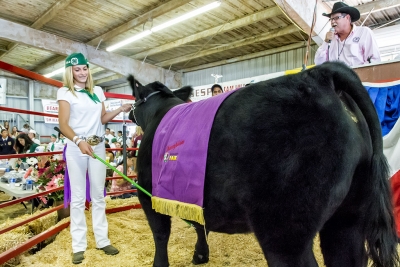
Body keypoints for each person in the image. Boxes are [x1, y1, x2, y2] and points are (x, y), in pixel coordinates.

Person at [57, 52, 132, 264]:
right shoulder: (65, 92)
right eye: (77, 69)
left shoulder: (97, 91)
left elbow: (102, 118)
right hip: (76, 147)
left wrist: (119, 109)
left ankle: (102, 240)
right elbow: (63, 124)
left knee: (99, 195)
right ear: (70, 72)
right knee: (79, 198)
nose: (82, 72)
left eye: (84, 68)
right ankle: (78, 246)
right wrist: (79, 141)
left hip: (97, 145)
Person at [314, 2, 381, 67]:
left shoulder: (364, 33)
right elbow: (319, 63)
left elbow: (374, 61)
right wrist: (325, 42)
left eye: (336, 18)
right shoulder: (331, 40)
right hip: (335, 78)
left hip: (358, 77)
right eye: (331, 19)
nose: (333, 22)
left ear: (347, 18)